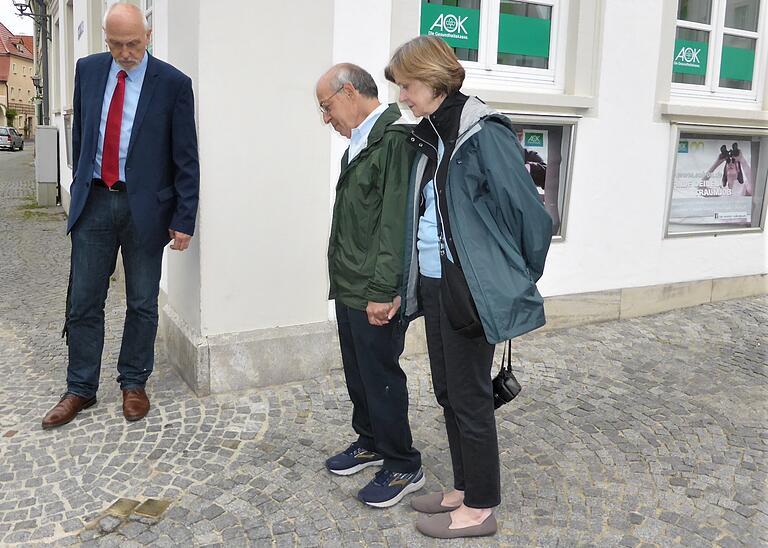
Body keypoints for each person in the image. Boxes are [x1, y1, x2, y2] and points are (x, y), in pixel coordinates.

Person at [385, 36, 552, 539]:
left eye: (407, 87)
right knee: (447, 392)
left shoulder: (482, 135)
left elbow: (530, 217)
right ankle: (462, 486)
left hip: (469, 288)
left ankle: (480, 506)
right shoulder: (435, 133)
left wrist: (513, 276)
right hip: (436, 283)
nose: (403, 98)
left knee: (470, 396)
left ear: (433, 80)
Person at [42, 2, 199, 429]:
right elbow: (83, 135)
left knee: (143, 301)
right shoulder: (88, 70)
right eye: (116, 44)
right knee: (83, 300)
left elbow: (186, 156)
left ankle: (134, 382)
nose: (125, 52)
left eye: (133, 43)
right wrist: (78, 190)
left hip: (145, 208)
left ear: (148, 36)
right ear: (105, 40)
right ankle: (80, 388)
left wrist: (185, 217)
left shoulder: (172, 83)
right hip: (94, 201)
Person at [315, 63, 423, 507]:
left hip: (375, 288)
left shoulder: (393, 139)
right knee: (359, 372)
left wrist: (384, 290)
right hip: (351, 283)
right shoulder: (359, 144)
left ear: (348, 92)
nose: (325, 118)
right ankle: (370, 440)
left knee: (380, 376)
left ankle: (402, 463)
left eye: (326, 107)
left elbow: (395, 222)